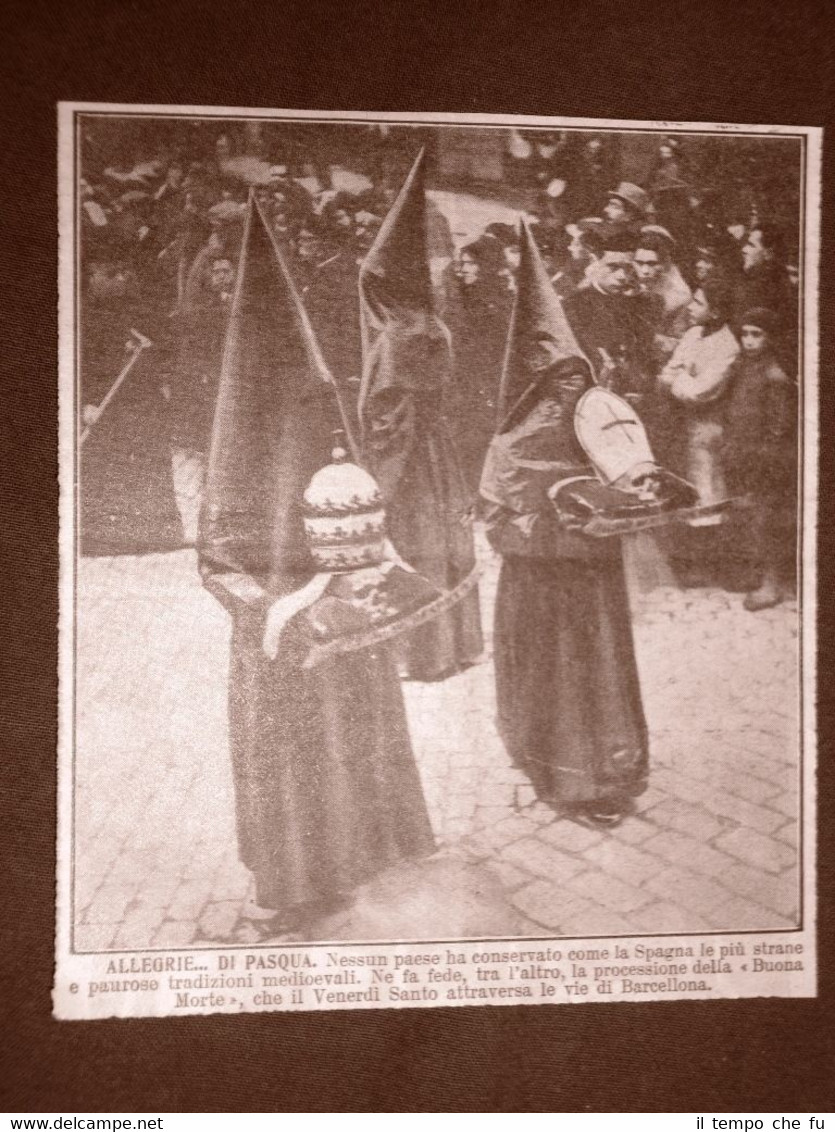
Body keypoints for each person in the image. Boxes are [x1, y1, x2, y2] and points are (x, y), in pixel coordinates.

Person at [198, 196, 435, 935]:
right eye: (301, 403)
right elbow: (216, 561)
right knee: (292, 765)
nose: (319, 417)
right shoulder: (237, 459)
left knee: (354, 747)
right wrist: (275, 607)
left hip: (343, 625)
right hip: (282, 644)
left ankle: (359, 856)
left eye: (320, 401)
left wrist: (378, 566)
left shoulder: (324, 412)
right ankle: (298, 885)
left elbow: (361, 511)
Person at [480, 221, 649, 827]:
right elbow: (500, 518)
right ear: (536, 383)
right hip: (543, 588)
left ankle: (609, 766)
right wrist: (546, 527)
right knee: (557, 675)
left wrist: (616, 504)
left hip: (590, 582)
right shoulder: (509, 445)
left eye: (580, 381)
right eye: (560, 382)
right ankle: (565, 773)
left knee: (598, 671)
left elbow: (632, 481)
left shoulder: (596, 431)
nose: (571, 392)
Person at [358, 150, 483, 681]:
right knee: (444, 545)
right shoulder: (432, 325)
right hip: (437, 454)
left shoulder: (395, 337)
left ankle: (421, 653)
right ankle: (453, 644)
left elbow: (390, 412)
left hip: (406, 463)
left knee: (414, 547)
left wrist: (376, 472)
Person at [657, 278, 740, 582]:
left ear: (716, 311)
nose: (690, 307)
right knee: (685, 490)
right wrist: (678, 378)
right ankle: (689, 562)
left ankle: (711, 565)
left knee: (708, 494)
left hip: (709, 428)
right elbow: (668, 370)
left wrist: (677, 380)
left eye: (698, 303)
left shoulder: (728, 346)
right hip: (684, 424)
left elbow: (701, 391)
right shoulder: (693, 333)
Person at [722, 308, 795, 610]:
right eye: (745, 334)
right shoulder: (741, 365)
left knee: (766, 521)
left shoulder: (774, 373)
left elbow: (779, 426)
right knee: (747, 517)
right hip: (739, 451)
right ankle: (753, 574)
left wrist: (765, 457)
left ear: (770, 338)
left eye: (757, 335)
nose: (749, 341)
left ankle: (771, 584)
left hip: (764, 458)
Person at [443, 234, 513, 491]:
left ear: (489, 265)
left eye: (470, 263)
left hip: (488, 383)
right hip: (463, 383)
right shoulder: (460, 298)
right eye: (461, 263)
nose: (462, 269)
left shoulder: (502, 302)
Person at [560, 227, 658, 406]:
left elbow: (642, 355)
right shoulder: (573, 304)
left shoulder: (637, 306)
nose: (622, 276)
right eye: (613, 267)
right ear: (595, 262)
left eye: (628, 269)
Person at [634, 227, 692, 363]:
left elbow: (681, 343)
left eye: (652, 264)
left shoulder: (679, 295)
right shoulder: (631, 275)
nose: (644, 271)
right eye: (639, 263)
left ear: (666, 263)